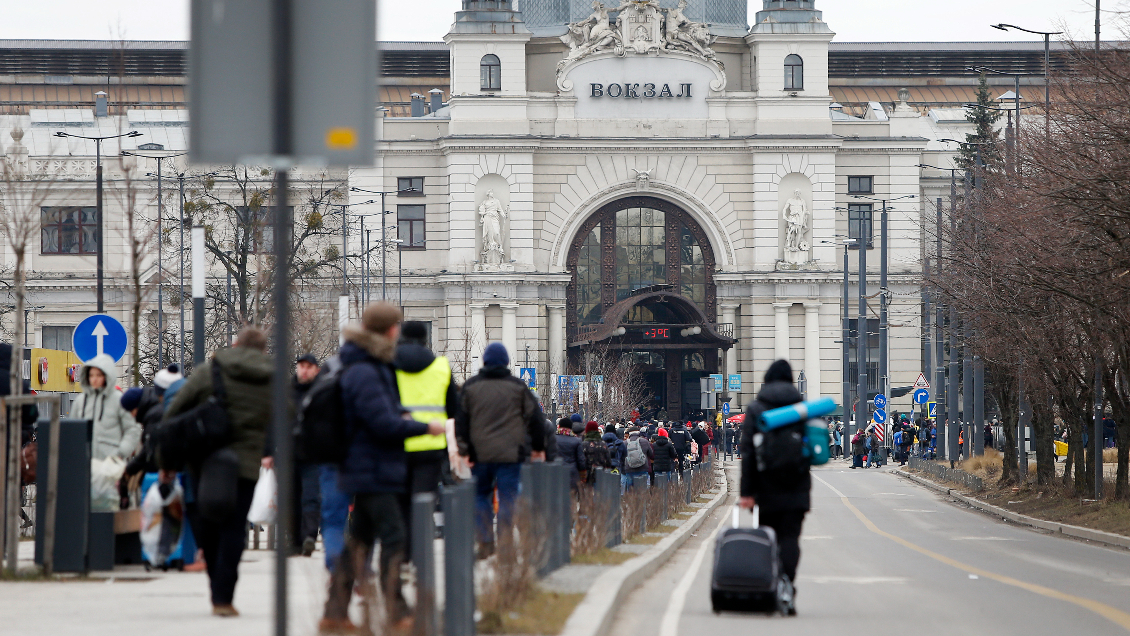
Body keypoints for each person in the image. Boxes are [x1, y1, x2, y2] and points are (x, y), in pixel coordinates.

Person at [322, 304, 446, 633]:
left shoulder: (371, 364)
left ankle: (334, 612)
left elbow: (381, 412)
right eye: (396, 325)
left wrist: (401, 415)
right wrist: (422, 427)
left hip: (373, 466)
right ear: (389, 329)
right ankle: (396, 609)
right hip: (371, 466)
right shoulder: (365, 369)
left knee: (357, 543)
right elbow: (381, 422)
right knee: (395, 536)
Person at [162, 327, 273, 617]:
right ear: (263, 351)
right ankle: (224, 596)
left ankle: (216, 584)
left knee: (205, 521)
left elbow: (173, 414)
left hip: (203, 460)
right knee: (234, 528)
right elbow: (289, 419)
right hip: (246, 465)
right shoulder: (271, 379)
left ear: (235, 344)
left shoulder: (208, 372)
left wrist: (168, 461)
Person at [454, 342, 545, 559]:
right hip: (511, 453)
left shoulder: (470, 386)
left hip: (480, 453)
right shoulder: (518, 387)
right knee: (508, 498)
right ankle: (505, 544)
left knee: (480, 496)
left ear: (484, 361)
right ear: (506, 362)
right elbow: (536, 419)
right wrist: (538, 447)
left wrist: (464, 449)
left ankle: (485, 541)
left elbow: (461, 421)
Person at [738, 360, 809, 613]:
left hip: (765, 486)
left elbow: (747, 452)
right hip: (797, 485)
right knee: (790, 538)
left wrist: (746, 493)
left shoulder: (756, 409)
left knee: (767, 538)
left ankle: (770, 587)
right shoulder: (802, 408)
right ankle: (787, 584)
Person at [393, 321, 460, 557]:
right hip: (431, 447)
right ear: (425, 339)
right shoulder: (441, 367)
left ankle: (400, 555)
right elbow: (454, 409)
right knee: (422, 503)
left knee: (399, 503)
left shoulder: (388, 365)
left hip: (397, 444)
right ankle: (418, 555)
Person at [70, 353, 141, 462]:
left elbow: (132, 429)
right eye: (91, 375)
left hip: (111, 465)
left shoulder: (119, 400)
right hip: (84, 463)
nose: (94, 379)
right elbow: (72, 430)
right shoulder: (81, 401)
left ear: (107, 376)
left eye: (98, 375)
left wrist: (120, 453)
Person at [291, 353, 322, 557]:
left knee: (311, 497)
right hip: (290, 454)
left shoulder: (322, 390)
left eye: (309, 367)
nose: (305, 370)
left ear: (316, 370)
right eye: (302, 366)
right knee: (292, 499)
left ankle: (309, 535)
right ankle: (295, 540)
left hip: (313, 454)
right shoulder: (286, 391)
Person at [555, 417, 586, 491]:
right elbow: (581, 460)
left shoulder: (553, 439)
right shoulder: (577, 441)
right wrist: (583, 477)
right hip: (572, 474)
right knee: (571, 498)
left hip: (556, 473)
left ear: (559, 426)